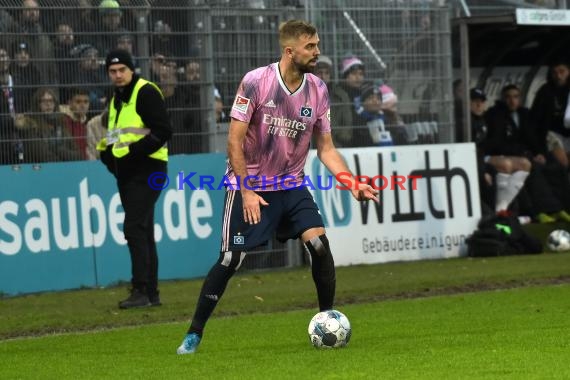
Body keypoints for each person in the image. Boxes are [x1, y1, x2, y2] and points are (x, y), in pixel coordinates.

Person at [176, 19, 379, 355]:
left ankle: (326, 319)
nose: (317, 52)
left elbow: (326, 148)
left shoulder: (318, 89)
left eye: (317, 45)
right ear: (290, 50)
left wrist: (352, 183)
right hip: (250, 185)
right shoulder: (256, 82)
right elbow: (234, 141)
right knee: (230, 259)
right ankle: (194, 334)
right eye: (310, 46)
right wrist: (246, 191)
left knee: (320, 247)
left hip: (291, 185)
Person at [97, 49, 172, 309]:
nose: (117, 75)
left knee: (132, 227)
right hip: (128, 173)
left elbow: (163, 131)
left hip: (149, 170)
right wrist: (108, 156)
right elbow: (116, 134)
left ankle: (140, 289)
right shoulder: (117, 97)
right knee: (143, 231)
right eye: (112, 71)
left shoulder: (145, 92)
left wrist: (130, 153)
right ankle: (151, 293)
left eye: (122, 70)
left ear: (132, 70)